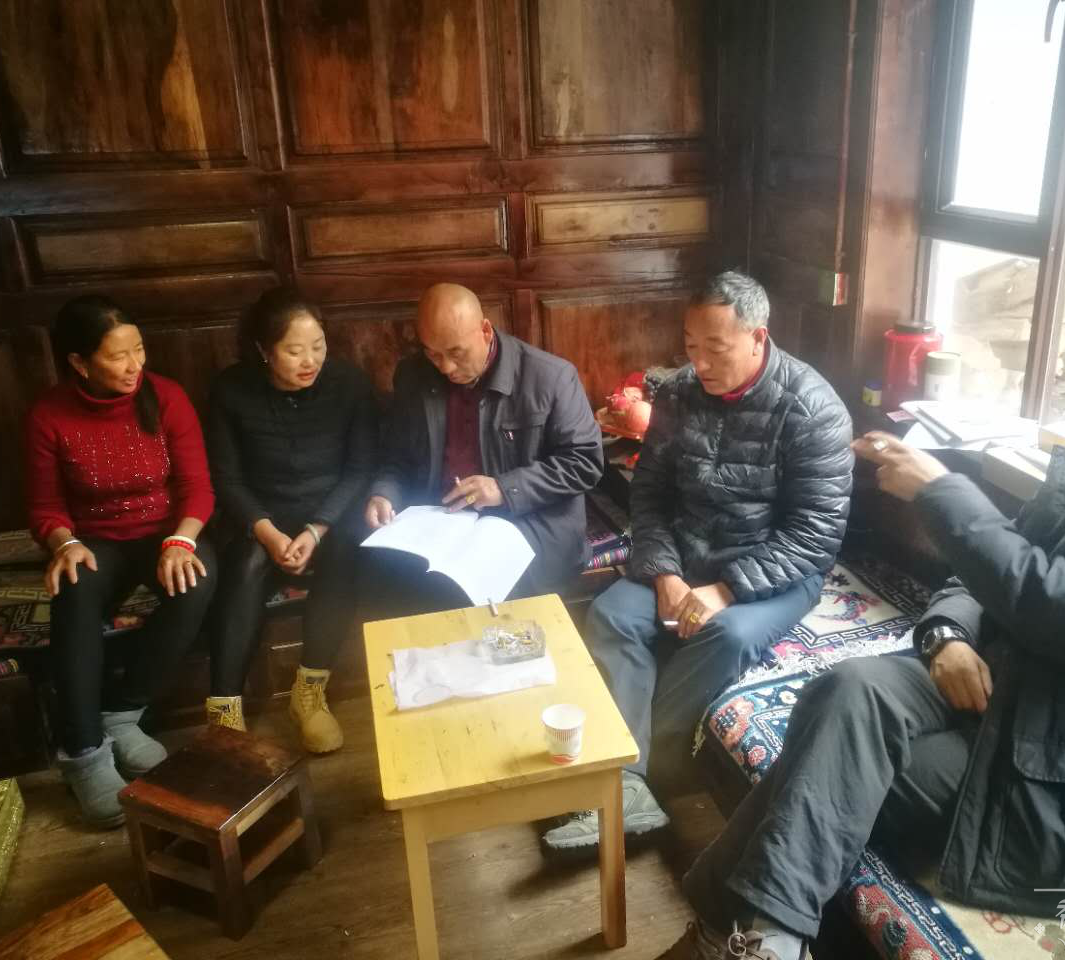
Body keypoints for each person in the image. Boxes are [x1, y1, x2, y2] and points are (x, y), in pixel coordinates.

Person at [656, 350, 1065, 960]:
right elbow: (979, 577)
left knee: (825, 765)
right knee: (851, 688)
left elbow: (1057, 601)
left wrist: (940, 491)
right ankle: (765, 941)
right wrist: (947, 636)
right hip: (1001, 704)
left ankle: (734, 934)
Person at [543, 271, 853, 854]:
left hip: (777, 570)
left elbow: (815, 534)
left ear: (758, 338)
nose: (700, 363)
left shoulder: (812, 408)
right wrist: (664, 573)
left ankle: (635, 772)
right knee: (612, 614)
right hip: (686, 553)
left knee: (727, 634)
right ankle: (630, 788)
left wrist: (727, 590)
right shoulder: (679, 392)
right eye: (691, 346)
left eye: (717, 348)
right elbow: (649, 495)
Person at [26, 296, 216, 829]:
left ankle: (122, 711)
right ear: (79, 363)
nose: (135, 366)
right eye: (118, 356)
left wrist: (180, 541)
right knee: (72, 587)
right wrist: (64, 542)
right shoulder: (49, 415)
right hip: (97, 541)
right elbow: (44, 507)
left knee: (198, 582)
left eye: (139, 350)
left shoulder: (167, 397)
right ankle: (84, 752)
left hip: (164, 533)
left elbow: (198, 487)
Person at [360, 282, 602, 611]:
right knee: (377, 577)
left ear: (485, 331)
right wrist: (384, 493)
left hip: (529, 521)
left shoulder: (551, 377)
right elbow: (397, 455)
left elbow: (585, 462)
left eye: (456, 353)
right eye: (433, 354)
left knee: (471, 592)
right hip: (441, 519)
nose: (445, 368)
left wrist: (504, 488)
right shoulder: (414, 375)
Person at [206, 288, 378, 752]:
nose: (310, 361)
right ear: (264, 350)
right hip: (259, 518)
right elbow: (226, 478)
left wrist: (316, 530)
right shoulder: (230, 390)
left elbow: (360, 469)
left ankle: (309, 693)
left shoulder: (349, 385)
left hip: (331, 516)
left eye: (318, 346)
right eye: (294, 350)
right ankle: (224, 710)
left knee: (346, 552)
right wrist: (267, 532)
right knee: (244, 565)